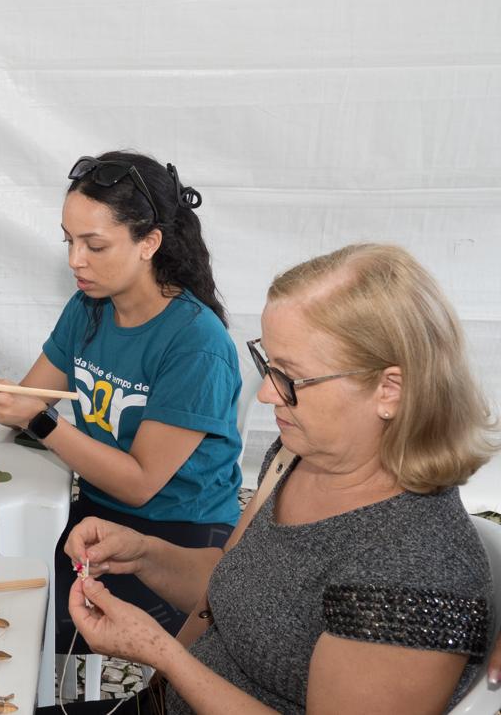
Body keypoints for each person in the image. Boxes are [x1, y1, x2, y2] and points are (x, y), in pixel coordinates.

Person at [66, 244, 496, 713]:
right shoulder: (296, 455)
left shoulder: (416, 574)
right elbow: (237, 585)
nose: (269, 393)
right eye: (267, 364)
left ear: (388, 391)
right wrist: (142, 554)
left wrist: (161, 652)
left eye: (291, 376)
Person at [0, 151, 243, 654]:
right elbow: (30, 402)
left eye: (94, 245)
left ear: (150, 243)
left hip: (176, 540)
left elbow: (141, 484)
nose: (76, 260)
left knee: (6, 618)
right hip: (97, 515)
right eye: (69, 241)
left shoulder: (196, 345)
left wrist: (41, 421)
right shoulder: (89, 307)